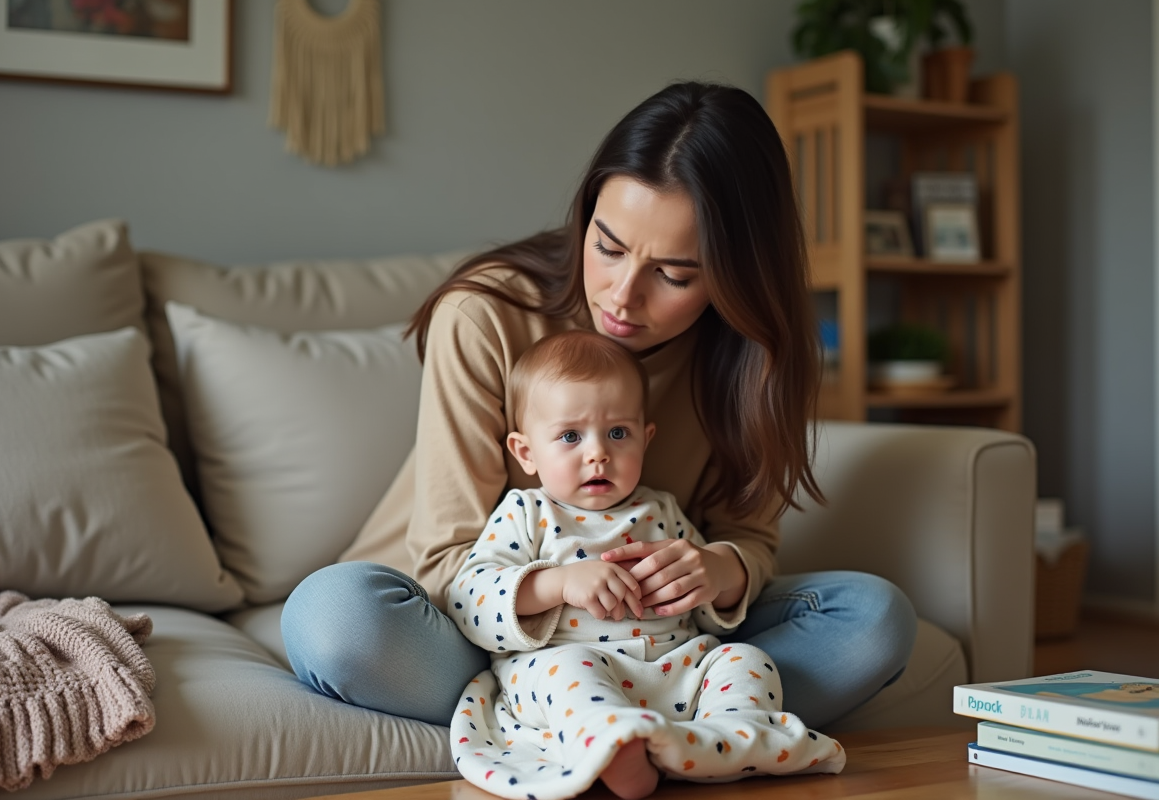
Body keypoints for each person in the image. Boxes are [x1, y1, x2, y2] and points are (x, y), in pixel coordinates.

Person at [281, 80, 917, 733]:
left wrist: (716, 569)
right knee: (331, 617)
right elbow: (449, 564)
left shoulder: (754, 357)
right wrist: (561, 590)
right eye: (608, 247)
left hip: (657, 648)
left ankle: (621, 731)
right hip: (465, 625)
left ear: (738, 273)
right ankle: (627, 722)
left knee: (875, 617)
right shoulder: (485, 315)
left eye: (673, 274)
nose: (621, 295)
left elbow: (749, 542)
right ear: (585, 215)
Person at [448, 329, 845, 800]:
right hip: (572, 668)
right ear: (526, 452)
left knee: (744, 658)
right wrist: (558, 583)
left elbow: (705, 613)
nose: (598, 452)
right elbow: (468, 599)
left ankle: (723, 737)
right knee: (569, 669)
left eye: (618, 433)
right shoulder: (526, 513)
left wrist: (707, 578)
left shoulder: (662, 511)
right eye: (570, 436)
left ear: (645, 438)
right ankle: (616, 742)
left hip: (675, 669)